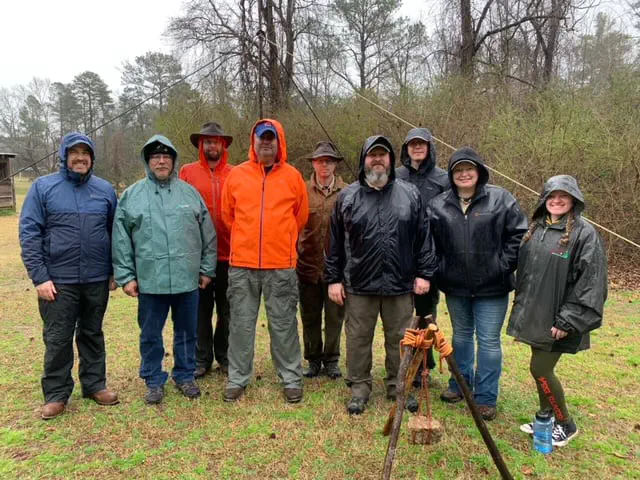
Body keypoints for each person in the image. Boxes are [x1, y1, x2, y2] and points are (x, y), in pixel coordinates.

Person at [325, 135, 437, 415]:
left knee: (400, 339)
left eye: (382, 155)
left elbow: (423, 237)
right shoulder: (347, 197)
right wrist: (333, 279)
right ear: (364, 159)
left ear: (390, 159)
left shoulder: (410, 194)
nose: (377, 159)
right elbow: (334, 242)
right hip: (359, 284)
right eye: (372, 155)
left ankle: (399, 386)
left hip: (399, 283)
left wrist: (424, 273)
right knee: (358, 338)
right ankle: (360, 387)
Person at [19, 132, 119, 420]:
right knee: (58, 338)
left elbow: (115, 233)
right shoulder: (43, 188)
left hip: (96, 278)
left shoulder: (104, 190)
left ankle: (94, 384)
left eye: (84, 153)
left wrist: (113, 270)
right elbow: (29, 232)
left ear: (92, 158)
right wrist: (39, 277)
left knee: (92, 333)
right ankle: (56, 394)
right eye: (73, 152)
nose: (79, 157)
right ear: (63, 156)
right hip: (57, 280)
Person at [112, 135, 216, 405]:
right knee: (150, 334)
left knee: (187, 332)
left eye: (166, 156)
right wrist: (126, 277)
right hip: (150, 281)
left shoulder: (189, 193)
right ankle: (153, 380)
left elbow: (208, 235)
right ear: (147, 161)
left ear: (173, 161)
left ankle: (184, 375)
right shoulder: (132, 197)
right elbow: (121, 239)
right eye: (155, 156)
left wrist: (206, 269)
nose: (161, 161)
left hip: (186, 279)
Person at [507, 175, 607, 446]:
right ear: (544, 200)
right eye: (552, 196)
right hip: (537, 316)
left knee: (540, 368)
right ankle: (545, 417)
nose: (557, 200)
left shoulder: (584, 234)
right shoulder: (537, 229)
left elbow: (591, 283)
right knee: (539, 367)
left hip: (560, 319)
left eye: (564, 196)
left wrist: (567, 320)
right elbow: (527, 277)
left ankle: (566, 423)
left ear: (574, 200)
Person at [428, 147, 527, 421]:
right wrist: (441, 270)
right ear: (451, 175)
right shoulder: (438, 205)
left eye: (469, 169)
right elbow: (429, 243)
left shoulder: (501, 199)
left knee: (489, 342)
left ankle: (485, 398)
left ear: (479, 172)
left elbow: (518, 236)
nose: (464, 174)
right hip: (456, 287)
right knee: (460, 338)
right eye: (458, 170)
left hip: (492, 288)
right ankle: (459, 386)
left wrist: (501, 265)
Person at [221, 119, 309, 404]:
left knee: (283, 325)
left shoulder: (293, 177)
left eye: (271, 138)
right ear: (253, 142)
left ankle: (291, 379)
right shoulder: (236, 175)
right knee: (241, 325)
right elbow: (228, 216)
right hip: (242, 265)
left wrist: (279, 240)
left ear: (279, 142)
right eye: (261, 139)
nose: (266, 143)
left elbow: (300, 216)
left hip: (280, 265)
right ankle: (237, 378)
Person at [180, 122, 234, 378]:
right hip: (197, 255)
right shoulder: (187, 172)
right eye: (207, 141)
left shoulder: (236, 173)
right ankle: (201, 359)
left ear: (223, 145)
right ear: (201, 145)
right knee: (200, 311)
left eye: (216, 141)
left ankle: (225, 356)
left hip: (229, 254)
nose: (212, 145)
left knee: (227, 310)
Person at [396, 127, 450, 381]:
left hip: (432, 256)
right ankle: (407, 363)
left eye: (421, 144)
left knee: (426, 313)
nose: (417, 148)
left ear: (429, 147)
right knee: (405, 315)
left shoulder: (443, 179)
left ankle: (424, 365)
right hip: (401, 255)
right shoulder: (396, 177)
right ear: (406, 149)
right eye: (412, 144)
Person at [297, 141, 347, 379]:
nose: (324, 165)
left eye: (328, 160)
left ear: (335, 164)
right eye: (319, 161)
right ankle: (313, 360)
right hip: (307, 266)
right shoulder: (301, 190)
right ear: (313, 164)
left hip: (336, 270)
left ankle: (332, 360)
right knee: (309, 316)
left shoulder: (347, 192)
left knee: (335, 317)